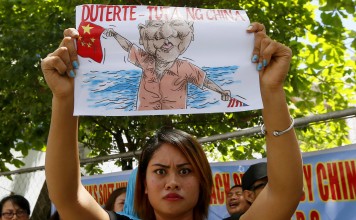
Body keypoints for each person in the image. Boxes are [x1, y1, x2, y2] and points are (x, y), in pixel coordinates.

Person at [41, 21, 303, 220]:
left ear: (202, 181)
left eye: (185, 170)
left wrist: (272, 91)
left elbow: (284, 194)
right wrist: (64, 100)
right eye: (160, 171)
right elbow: (68, 198)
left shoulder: (187, 67)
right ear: (143, 185)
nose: (173, 182)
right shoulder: (143, 59)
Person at [104, 20, 231, 110]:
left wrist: (221, 91)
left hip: (176, 116)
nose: (166, 44)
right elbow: (128, 46)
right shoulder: (146, 60)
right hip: (145, 112)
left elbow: (205, 81)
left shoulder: (185, 67)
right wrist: (115, 35)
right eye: (159, 40)